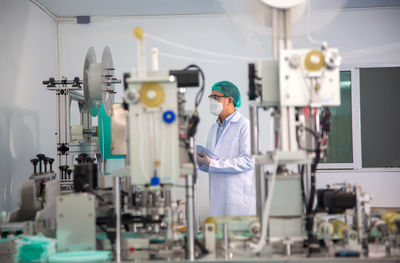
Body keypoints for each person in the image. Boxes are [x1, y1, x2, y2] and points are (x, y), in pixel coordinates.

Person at [197, 81, 256, 216]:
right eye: (211, 97)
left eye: (216, 97)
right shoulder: (214, 128)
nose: (212, 101)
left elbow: (248, 161)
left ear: (230, 100)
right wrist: (201, 162)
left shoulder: (244, 125)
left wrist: (212, 163)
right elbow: (214, 162)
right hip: (217, 199)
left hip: (237, 201)